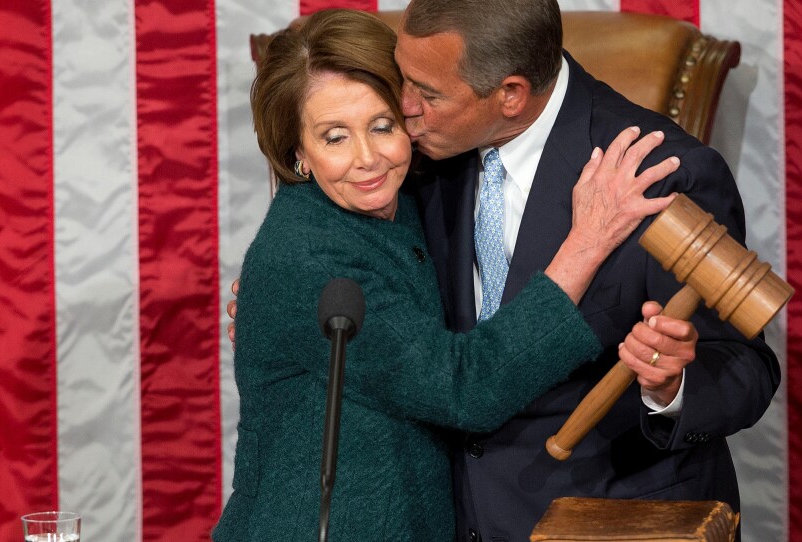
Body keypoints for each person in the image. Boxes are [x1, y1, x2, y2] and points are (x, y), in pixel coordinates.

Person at [213, 9, 678, 541]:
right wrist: (586, 242)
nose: (367, 158)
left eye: (382, 125)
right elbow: (466, 389)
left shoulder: (416, 191)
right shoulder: (307, 255)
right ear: (299, 153)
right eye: (334, 137)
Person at [393, 1, 780, 540]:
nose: (403, 108)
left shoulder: (661, 176)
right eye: (402, 79)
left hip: (607, 518)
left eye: (428, 95)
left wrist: (672, 385)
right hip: (452, 516)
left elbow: (746, 369)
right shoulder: (414, 153)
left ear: (510, 94)